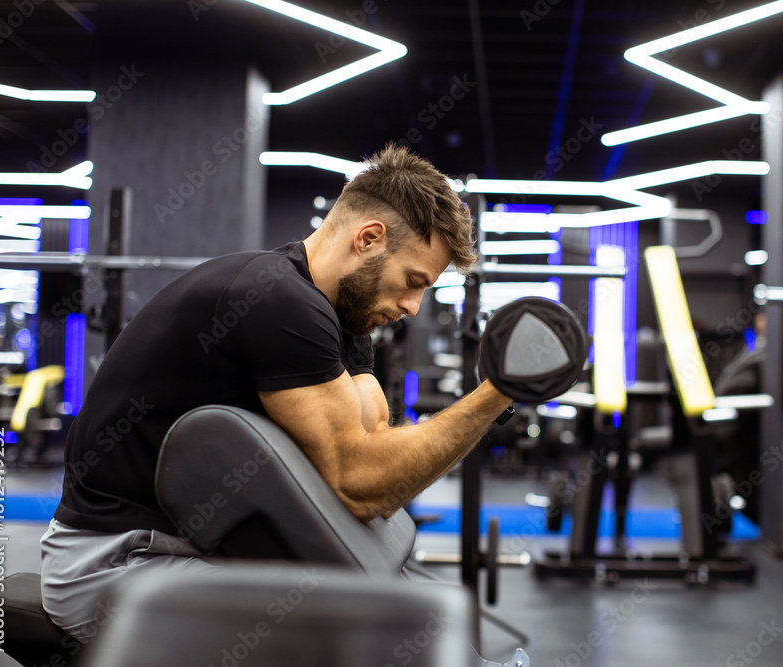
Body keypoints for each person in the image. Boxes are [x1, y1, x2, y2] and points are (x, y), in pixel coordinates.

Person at [41, 145, 515, 641]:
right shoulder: (276, 299)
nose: (414, 307)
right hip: (113, 563)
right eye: (413, 282)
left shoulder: (340, 314)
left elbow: (375, 448)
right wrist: (497, 393)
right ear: (369, 238)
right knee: (344, 638)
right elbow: (360, 482)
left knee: (396, 618)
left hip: (189, 550)